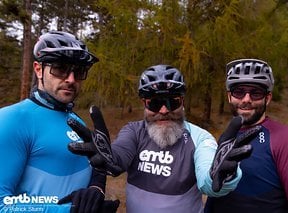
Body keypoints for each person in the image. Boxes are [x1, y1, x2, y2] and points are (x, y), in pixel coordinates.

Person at [65, 64, 262, 212]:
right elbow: (117, 158)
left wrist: (223, 176)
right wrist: (108, 160)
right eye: (155, 103)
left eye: (172, 101)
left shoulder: (201, 138)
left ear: (182, 102)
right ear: (144, 103)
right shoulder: (134, 131)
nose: (164, 110)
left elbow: (209, 181)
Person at [0, 31, 119, 212]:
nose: (70, 79)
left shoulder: (75, 120)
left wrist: (97, 186)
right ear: (38, 69)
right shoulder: (12, 120)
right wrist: (68, 211)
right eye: (60, 68)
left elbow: (90, 174)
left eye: (78, 71)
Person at [204, 58, 288, 213]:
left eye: (256, 93)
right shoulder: (227, 137)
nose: (246, 99)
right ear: (229, 96)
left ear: (268, 98)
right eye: (239, 92)